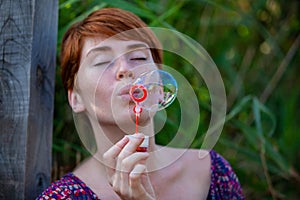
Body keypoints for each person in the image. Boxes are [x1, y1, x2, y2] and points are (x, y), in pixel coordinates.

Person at [37, 7, 244, 200]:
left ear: (161, 88)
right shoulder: (61, 197)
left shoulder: (211, 171)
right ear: (75, 98)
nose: (125, 70)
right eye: (102, 62)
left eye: (137, 58)